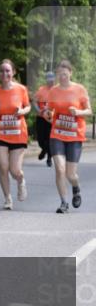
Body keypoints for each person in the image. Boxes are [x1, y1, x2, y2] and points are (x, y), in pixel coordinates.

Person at [44, 60, 91, 214]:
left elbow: (89, 111)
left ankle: (76, 188)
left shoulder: (80, 89)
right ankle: (64, 203)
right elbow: (48, 111)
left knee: (70, 174)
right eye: (59, 74)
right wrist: (48, 114)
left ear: (70, 73)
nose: (62, 77)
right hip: (57, 134)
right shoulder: (53, 91)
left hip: (75, 135)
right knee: (59, 169)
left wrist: (78, 112)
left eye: (65, 74)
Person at [0, 59, 31, 210]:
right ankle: (7, 198)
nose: (5, 73)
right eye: (2, 70)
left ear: (13, 72)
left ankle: (20, 181)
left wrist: (21, 111)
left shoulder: (21, 89)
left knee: (15, 170)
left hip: (18, 134)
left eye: (7, 70)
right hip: (0, 134)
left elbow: (28, 107)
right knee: (3, 167)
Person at [33, 70, 56, 167]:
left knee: (49, 139)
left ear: (54, 79)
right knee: (40, 139)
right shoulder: (41, 90)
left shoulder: (57, 90)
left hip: (52, 119)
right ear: (46, 80)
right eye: (49, 80)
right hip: (41, 118)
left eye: (52, 80)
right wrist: (38, 110)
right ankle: (44, 149)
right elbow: (34, 102)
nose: (50, 82)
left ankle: (49, 158)